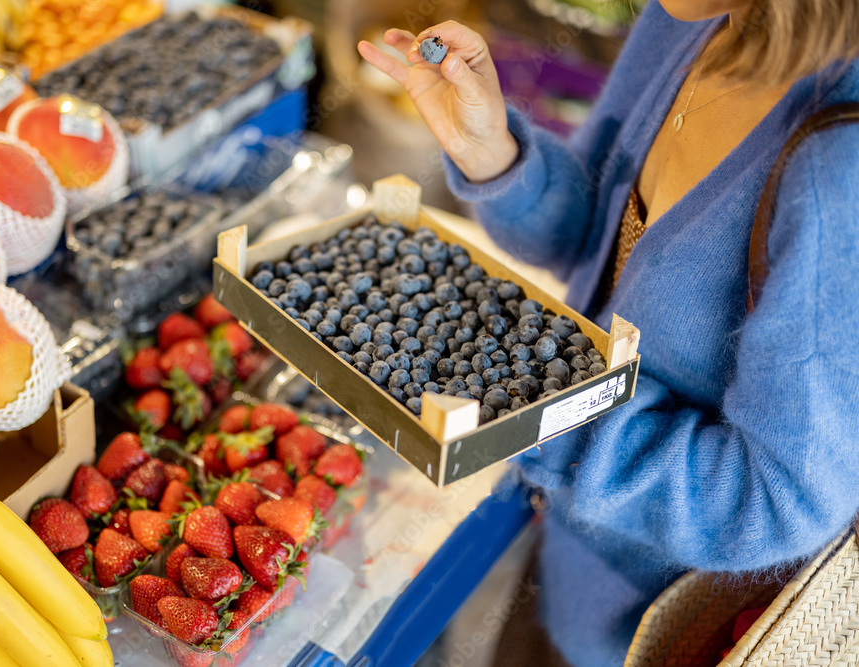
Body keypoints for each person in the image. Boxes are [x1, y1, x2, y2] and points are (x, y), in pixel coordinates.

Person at [358, 2, 859, 665]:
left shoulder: (839, 169)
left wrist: (538, 406)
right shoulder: (687, 17)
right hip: (558, 538)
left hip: (640, 631)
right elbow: (595, 236)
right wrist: (492, 152)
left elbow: (775, 501)